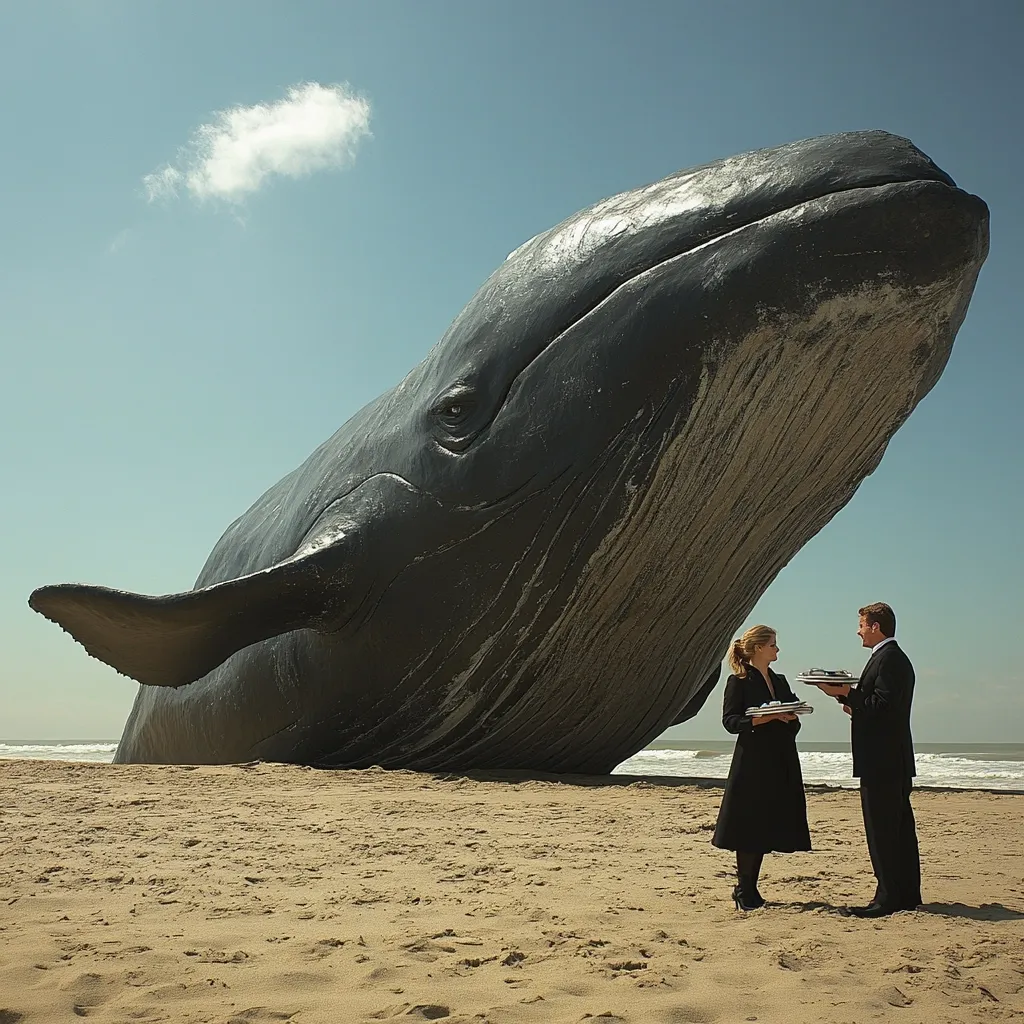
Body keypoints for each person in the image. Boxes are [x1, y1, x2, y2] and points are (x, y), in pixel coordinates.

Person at [816, 602, 921, 918]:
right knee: (898, 829)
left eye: (862, 624)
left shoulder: (889, 660)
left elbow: (881, 707)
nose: (858, 630)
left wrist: (846, 692)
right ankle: (905, 895)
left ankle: (888, 899)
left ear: (876, 627)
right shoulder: (888, 658)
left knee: (884, 830)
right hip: (889, 758)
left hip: (884, 760)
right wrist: (846, 699)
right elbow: (876, 708)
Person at [712, 625, 811, 910]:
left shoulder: (779, 680)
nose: (777, 650)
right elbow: (731, 722)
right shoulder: (739, 681)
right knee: (749, 824)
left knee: (767, 822)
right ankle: (744, 888)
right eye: (772, 645)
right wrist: (762, 719)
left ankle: (749, 886)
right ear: (757, 648)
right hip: (752, 761)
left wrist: (790, 718)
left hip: (780, 758)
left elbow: (794, 716)